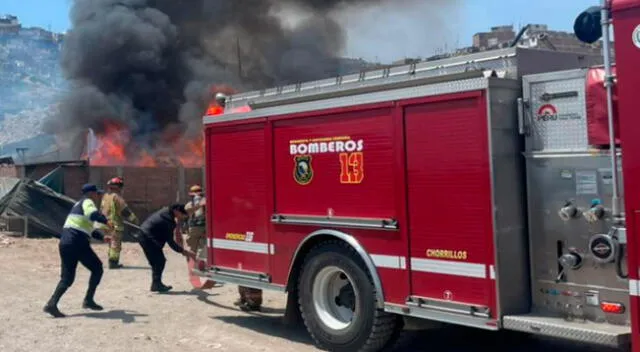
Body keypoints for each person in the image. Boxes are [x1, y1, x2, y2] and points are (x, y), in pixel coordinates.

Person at [43, 184, 111, 318]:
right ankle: (88, 300)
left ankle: (52, 304)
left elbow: (89, 229)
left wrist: (103, 237)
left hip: (66, 242)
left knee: (67, 278)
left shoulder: (78, 206)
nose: (98, 196)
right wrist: (106, 220)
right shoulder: (87, 202)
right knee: (97, 268)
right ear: (91, 193)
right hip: (77, 241)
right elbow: (93, 215)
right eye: (97, 194)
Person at [138, 203, 201, 292]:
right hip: (148, 238)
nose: (183, 217)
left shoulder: (166, 212)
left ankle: (156, 284)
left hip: (144, 235)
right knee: (159, 261)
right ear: (176, 211)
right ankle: (156, 284)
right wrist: (184, 252)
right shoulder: (168, 220)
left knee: (157, 261)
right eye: (182, 214)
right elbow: (171, 242)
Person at [101, 176, 139, 269]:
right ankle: (113, 263)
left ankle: (111, 260)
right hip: (115, 225)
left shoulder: (106, 196)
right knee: (115, 244)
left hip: (105, 224)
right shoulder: (117, 197)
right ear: (118, 187)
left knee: (111, 243)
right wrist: (134, 220)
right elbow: (125, 211)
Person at [184, 185, 206, 259]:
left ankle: (191, 264)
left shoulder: (189, 205)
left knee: (191, 248)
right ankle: (201, 262)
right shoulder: (207, 202)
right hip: (205, 227)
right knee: (203, 247)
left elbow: (185, 216)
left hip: (194, 228)